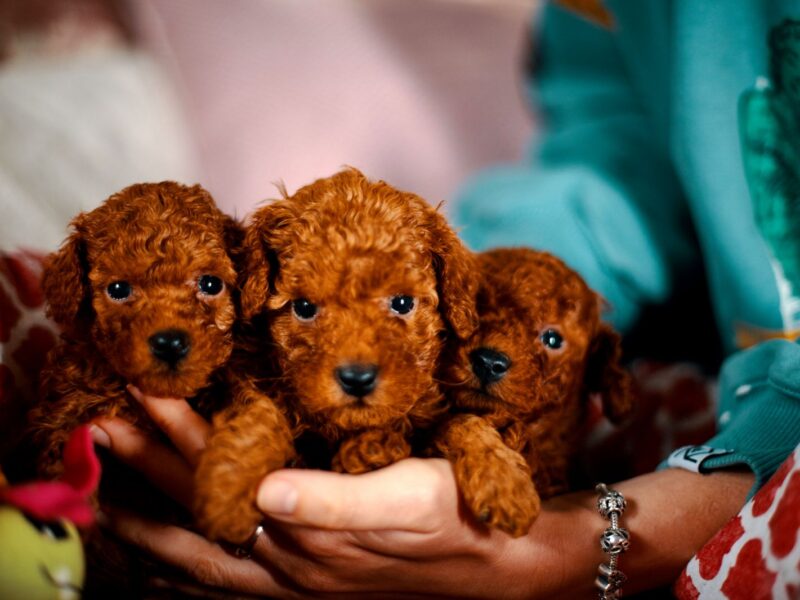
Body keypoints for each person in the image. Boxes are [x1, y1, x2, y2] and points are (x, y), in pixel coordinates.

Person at [90, 1, 800, 597]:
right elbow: (612, 156)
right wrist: (478, 314)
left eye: (400, 305)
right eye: (306, 306)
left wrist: (587, 544)